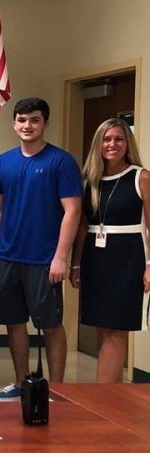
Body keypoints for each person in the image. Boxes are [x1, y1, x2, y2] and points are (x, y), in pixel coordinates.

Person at [0, 97, 82, 401]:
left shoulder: (61, 161)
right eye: (22, 120)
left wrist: (61, 257)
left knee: (51, 325)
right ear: (14, 123)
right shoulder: (3, 161)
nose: (28, 126)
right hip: (8, 256)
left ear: (45, 123)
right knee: (14, 323)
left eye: (35, 120)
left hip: (44, 260)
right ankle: (21, 382)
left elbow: (72, 211)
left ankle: (56, 389)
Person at [70, 118, 149, 383]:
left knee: (117, 331)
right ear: (98, 144)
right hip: (96, 258)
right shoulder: (89, 180)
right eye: (106, 139)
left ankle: (99, 399)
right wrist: (76, 264)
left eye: (118, 139)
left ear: (127, 144)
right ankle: (113, 397)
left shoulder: (142, 177)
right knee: (103, 330)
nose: (112, 144)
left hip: (128, 258)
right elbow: (82, 227)